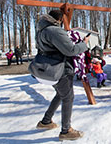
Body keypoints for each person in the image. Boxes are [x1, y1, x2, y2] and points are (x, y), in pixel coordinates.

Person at [35, 10, 89, 141]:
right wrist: (84, 44)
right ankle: (66, 130)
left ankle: (46, 121)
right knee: (68, 97)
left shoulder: (41, 30)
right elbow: (71, 50)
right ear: (59, 19)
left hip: (48, 69)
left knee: (61, 94)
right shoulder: (54, 31)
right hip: (61, 69)